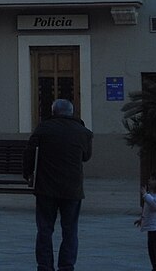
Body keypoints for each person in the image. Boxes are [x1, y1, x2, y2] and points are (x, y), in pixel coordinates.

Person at [23, 98, 93, 271]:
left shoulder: (43, 128)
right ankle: (67, 265)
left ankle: (45, 265)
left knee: (45, 229)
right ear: (72, 112)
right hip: (72, 188)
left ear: (53, 112)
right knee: (70, 230)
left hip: (46, 187)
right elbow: (86, 156)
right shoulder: (82, 132)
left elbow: (29, 153)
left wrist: (28, 174)